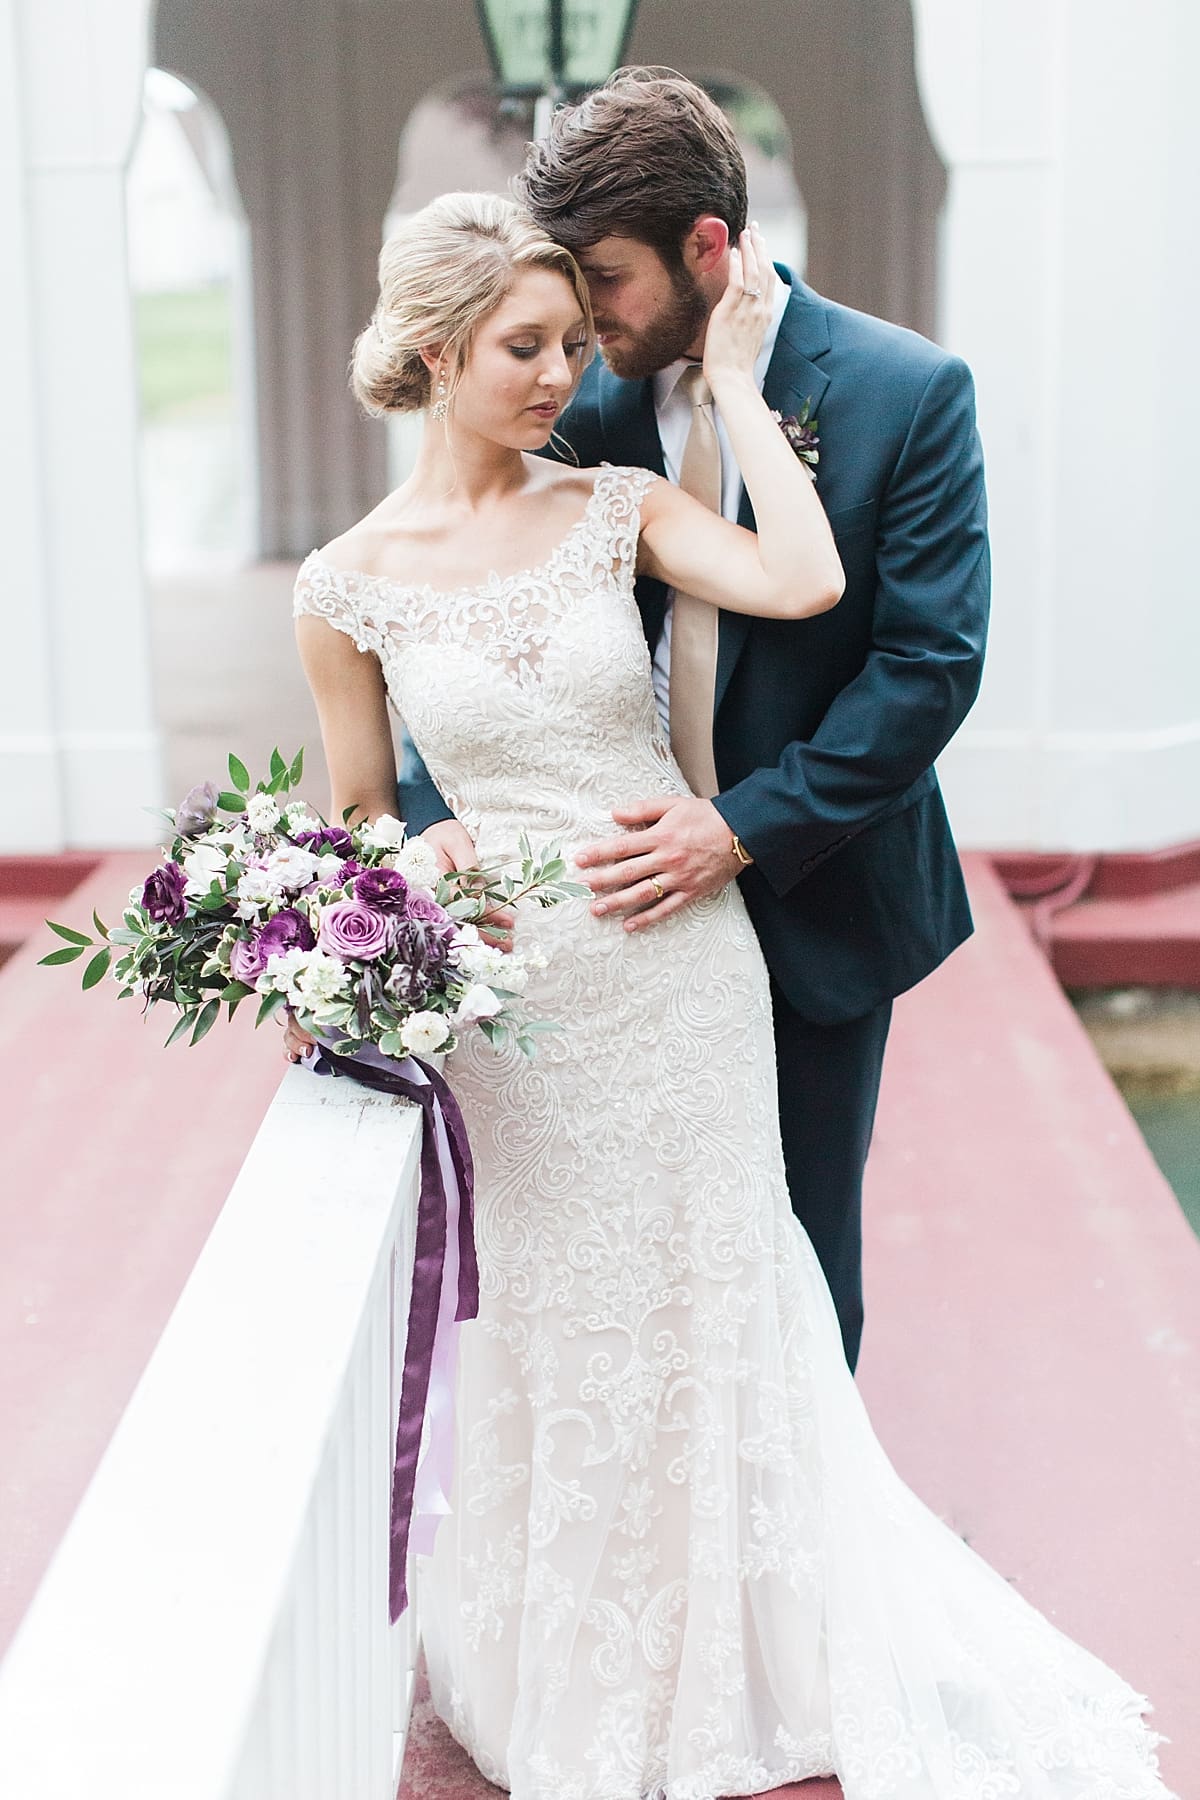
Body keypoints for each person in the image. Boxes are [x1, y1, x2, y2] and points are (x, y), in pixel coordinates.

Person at [286, 189, 1171, 1800]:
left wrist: (749, 394)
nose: (569, 370)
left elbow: (812, 585)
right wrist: (428, 860)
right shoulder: (345, 586)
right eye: (529, 346)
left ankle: (747, 1648)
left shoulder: (619, 498)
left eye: (575, 335)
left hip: (675, 965)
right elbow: (360, 813)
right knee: (558, 1321)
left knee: (718, 1292)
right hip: (519, 1008)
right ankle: (588, 1650)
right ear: (436, 354)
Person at [400, 71, 989, 1375]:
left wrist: (736, 830)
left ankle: (805, 1561)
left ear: (706, 249)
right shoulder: (583, 405)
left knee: (799, 1256)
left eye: (604, 281)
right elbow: (465, 628)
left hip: (814, 888)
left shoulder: (910, 392)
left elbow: (928, 671)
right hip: (603, 918)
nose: (578, 325)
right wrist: (436, 831)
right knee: (625, 1257)